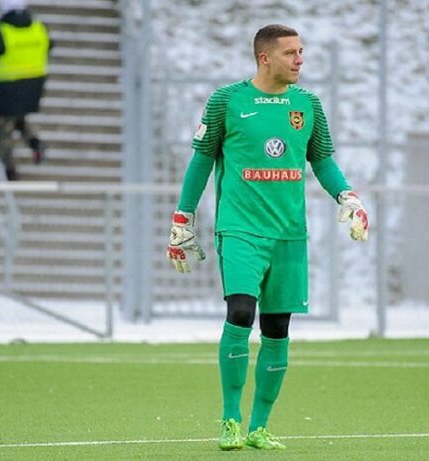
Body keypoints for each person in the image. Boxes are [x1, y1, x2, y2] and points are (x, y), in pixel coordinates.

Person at [166, 24, 369, 451]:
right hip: (240, 228)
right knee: (241, 312)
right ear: (264, 57)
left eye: (301, 52)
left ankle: (259, 427)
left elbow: (322, 161)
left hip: (289, 234)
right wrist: (183, 217)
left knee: (277, 328)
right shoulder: (227, 101)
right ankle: (230, 420)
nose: (300, 60)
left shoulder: (307, 104)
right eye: (290, 53)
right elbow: (201, 160)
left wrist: (347, 195)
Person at [0, 0, 50, 181]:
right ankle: (35, 142)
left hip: (7, 86)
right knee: (18, 119)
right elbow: (48, 48)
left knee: (2, 129)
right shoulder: (39, 28)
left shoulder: (1, 32)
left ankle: (9, 170)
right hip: (34, 85)